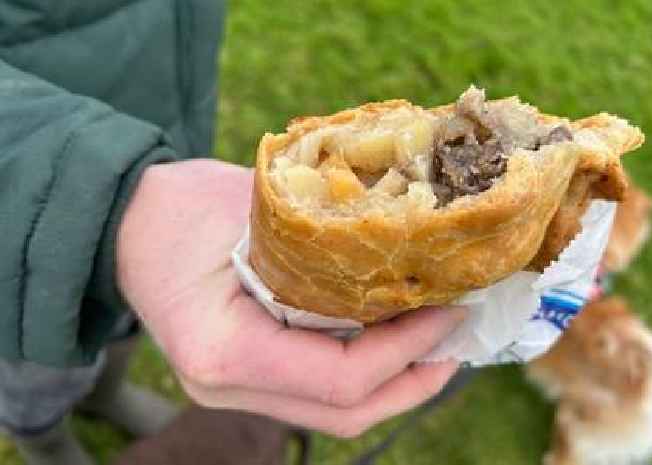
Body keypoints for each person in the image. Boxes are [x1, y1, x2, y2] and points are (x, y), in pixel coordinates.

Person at [0, 2, 464, 464]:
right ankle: (43, 439)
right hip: (18, 240)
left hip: (164, 134)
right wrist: (109, 202)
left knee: (127, 318)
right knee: (37, 365)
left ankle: (104, 394)